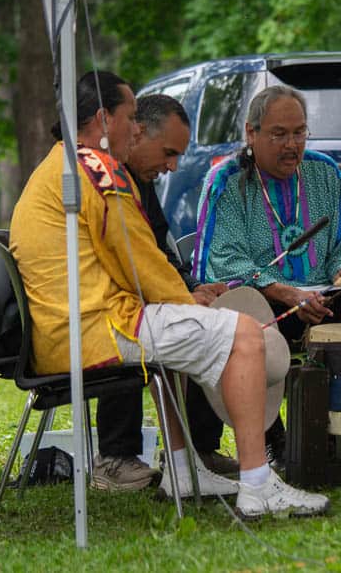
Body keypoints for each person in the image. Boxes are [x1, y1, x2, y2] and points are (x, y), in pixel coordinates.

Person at [10, 70, 329, 518]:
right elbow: (141, 259)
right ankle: (259, 485)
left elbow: (130, 260)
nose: (136, 128)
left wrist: (180, 298)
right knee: (244, 334)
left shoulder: (60, 164)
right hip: (95, 331)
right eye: (131, 117)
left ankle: (183, 470)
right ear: (104, 119)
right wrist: (186, 299)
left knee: (184, 333)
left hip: (68, 331)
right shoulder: (98, 170)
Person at [193, 85, 341, 454]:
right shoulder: (228, 181)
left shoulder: (324, 173)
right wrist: (289, 295)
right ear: (251, 134)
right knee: (242, 315)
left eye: (299, 132)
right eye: (279, 134)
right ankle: (270, 437)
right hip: (267, 303)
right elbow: (227, 261)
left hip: (319, 298)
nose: (291, 145)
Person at [92, 94, 239, 491]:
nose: (173, 166)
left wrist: (192, 287)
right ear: (137, 133)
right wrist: (181, 296)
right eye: (169, 153)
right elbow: (134, 265)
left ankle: (195, 451)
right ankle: (114, 458)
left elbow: (158, 249)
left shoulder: (139, 180)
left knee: (205, 317)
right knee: (150, 318)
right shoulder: (107, 181)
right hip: (100, 315)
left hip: (131, 301)